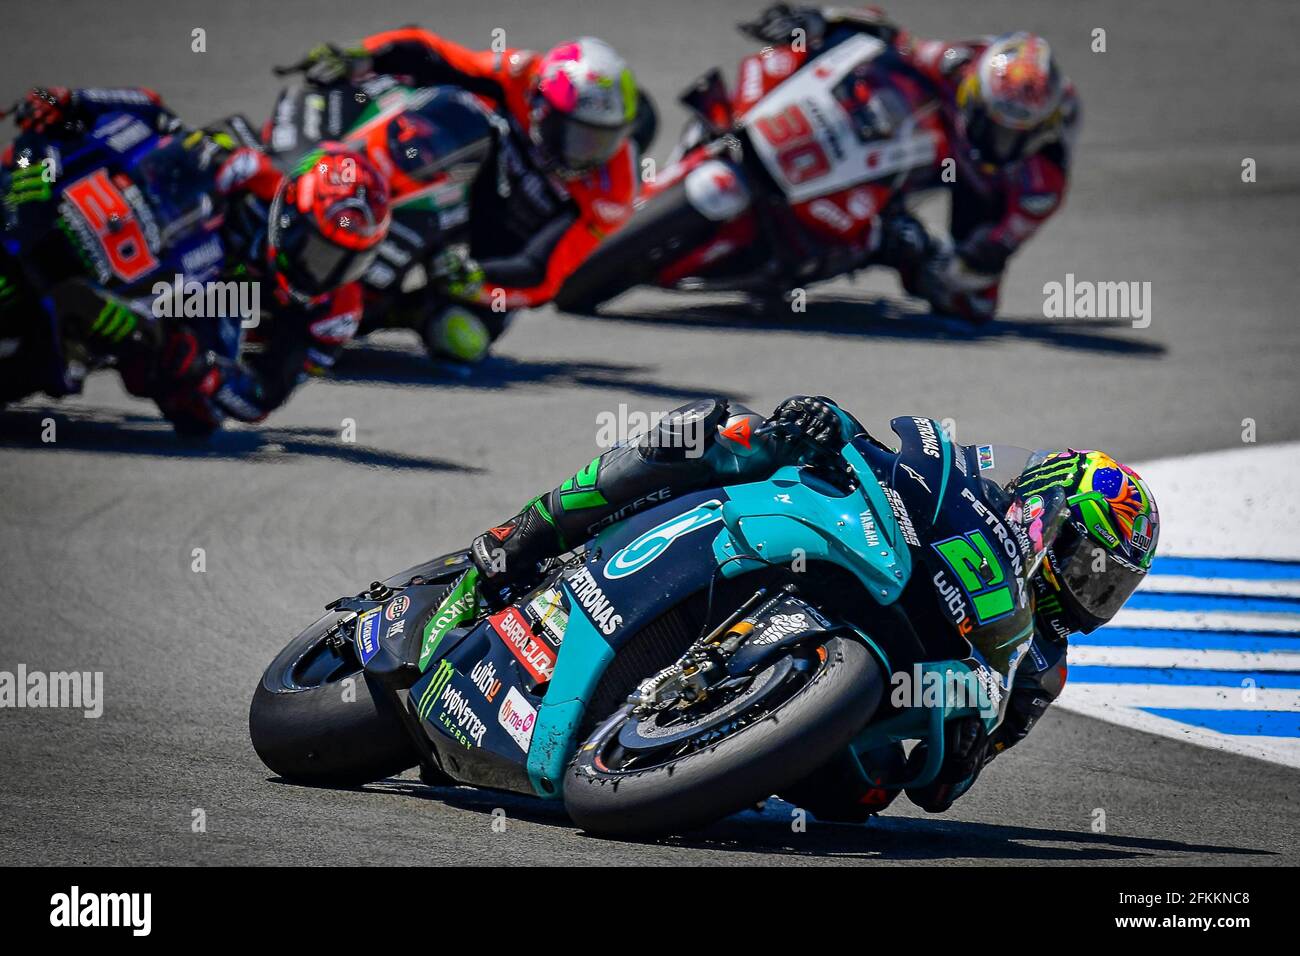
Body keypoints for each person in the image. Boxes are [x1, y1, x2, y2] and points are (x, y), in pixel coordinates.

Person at [466, 395, 1159, 817]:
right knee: (725, 431)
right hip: (879, 584)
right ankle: (527, 531)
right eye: (1084, 561)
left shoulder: (1042, 666)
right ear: (1045, 508)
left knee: (860, 805)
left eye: (1107, 587)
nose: (1086, 588)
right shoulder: (975, 490)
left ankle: (703, 752)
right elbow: (903, 464)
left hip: (845, 756)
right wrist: (828, 423)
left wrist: (972, 748)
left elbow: (942, 793)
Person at [2, 86, 390, 432]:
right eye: (324, 252)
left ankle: (85, 342)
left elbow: (262, 396)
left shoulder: (336, 310)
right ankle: (24, 189)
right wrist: (70, 102)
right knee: (47, 144)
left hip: (206, 307)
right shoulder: (251, 172)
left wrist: (209, 373)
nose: (330, 271)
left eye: (350, 261)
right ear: (290, 217)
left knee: (201, 413)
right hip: (148, 240)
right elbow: (157, 114)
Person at [296, 29, 643, 357]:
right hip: (450, 185)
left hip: (490, 254)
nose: (586, 155)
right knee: (460, 112)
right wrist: (365, 54)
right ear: (543, 106)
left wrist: (479, 278)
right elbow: (430, 53)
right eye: (578, 135)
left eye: (603, 141)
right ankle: (327, 166)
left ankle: (395, 310)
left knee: (463, 337)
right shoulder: (519, 74)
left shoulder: (612, 190)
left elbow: (544, 273)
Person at [739, 5, 1079, 322]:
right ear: (972, 93)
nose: (997, 140)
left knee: (971, 302)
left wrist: (976, 257)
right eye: (992, 123)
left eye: (1012, 135)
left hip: (983, 186)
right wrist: (817, 21)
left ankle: (887, 241)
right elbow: (894, 38)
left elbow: (998, 244)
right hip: (933, 141)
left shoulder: (1041, 184)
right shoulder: (956, 64)